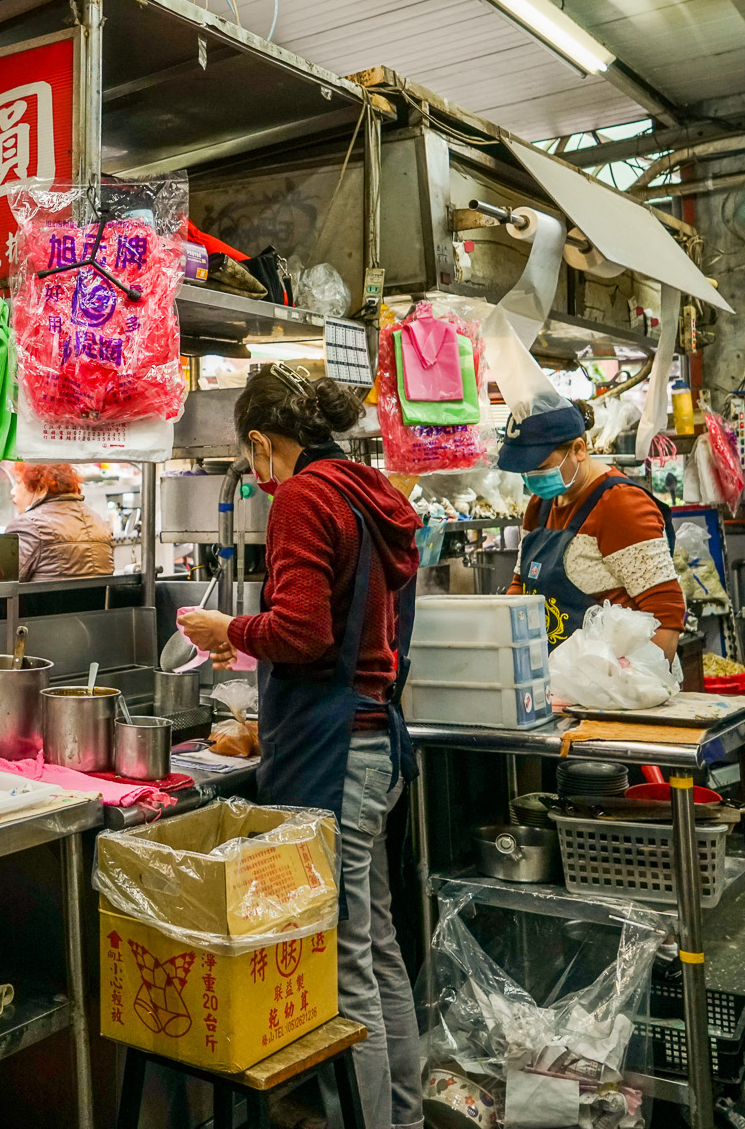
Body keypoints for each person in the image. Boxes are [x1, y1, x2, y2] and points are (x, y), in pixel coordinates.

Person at [178, 365, 423, 1129]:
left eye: (252, 460)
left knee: (345, 964)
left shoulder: (304, 499)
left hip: (337, 747)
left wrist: (231, 632)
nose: (254, 476)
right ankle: (403, 1117)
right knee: (376, 947)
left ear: (261, 443)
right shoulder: (363, 488)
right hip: (376, 740)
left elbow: (304, 632)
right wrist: (248, 635)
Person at [498, 397, 684, 656]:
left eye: (540, 468)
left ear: (578, 449)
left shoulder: (620, 504)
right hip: (558, 683)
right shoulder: (540, 504)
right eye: (525, 471)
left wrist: (634, 688)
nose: (532, 479)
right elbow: (522, 585)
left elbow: (666, 615)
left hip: (614, 682)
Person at [1, 460, 114, 579]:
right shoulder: (98, 520)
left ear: (41, 488)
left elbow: (3, 582)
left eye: (18, 483)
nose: (12, 491)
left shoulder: (29, 525)